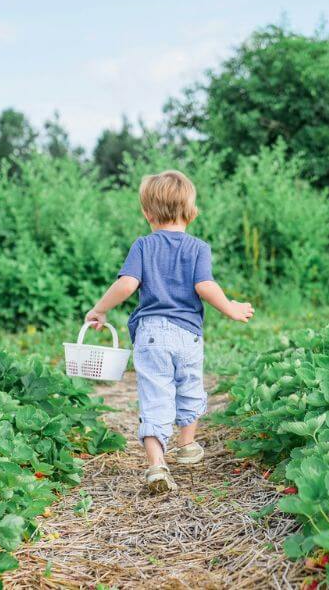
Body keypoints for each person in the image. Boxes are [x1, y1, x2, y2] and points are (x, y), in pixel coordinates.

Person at [84, 170, 254, 493]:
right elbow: (205, 286)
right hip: (188, 334)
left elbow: (127, 284)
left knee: (155, 396)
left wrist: (101, 308)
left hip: (151, 334)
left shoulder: (143, 246)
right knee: (190, 386)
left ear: (147, 213)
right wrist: (230, 307)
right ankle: (188, 445)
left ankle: (156, 465)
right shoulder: (198, 248)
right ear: (191, 212)